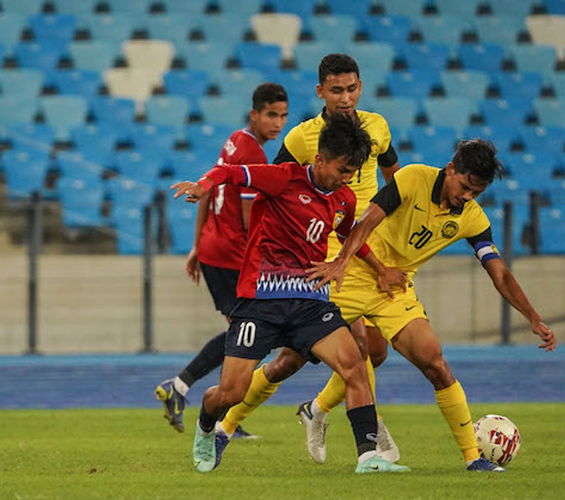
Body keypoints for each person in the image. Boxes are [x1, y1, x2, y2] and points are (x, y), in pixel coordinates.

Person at [219, 139, 558, 472]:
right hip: (350, 274)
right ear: (452, 169)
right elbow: (364, 222)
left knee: (434, 362)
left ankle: (473, 457)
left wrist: (532, 317)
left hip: (394, 287)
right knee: (288, 362)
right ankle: (226, 427)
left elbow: (497, 272)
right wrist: (340, 262)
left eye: (477, 193)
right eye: (466, 186)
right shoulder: (413, 178)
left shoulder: (472, 218)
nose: (467, 197)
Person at [172, 113, 410, 474]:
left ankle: (368, 457)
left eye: (352, 173)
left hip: (309, 303)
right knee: (231, 392)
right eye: (342, 169)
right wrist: (204, 185)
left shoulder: (343, 199)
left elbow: (350, 238)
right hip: (260, 302)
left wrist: (375, 269)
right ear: (319, 160)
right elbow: (232, 174)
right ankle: (207, 425)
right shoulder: (282, 177)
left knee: (355, 367)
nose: (346, 179)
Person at [218, 53, 403, 461]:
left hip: (366, 247)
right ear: (321, 91)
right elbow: (278, 187)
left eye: (352, 88)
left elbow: (395, 178)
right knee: (352, 352)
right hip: (320, 258)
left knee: (367, 352)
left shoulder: (379, 127)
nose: (345, 97)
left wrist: (394, 228)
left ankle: (312, 410)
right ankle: (371, 444)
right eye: (336, 90)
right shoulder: (303, 137)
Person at [155, 83, 289, 436]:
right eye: (271, 115)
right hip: (232, 256)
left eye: (283, 116)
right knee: (249, 335)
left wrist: (198, 244)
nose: (278, 123)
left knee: (242, 333)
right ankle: (205, 406)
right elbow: (250, 219)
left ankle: (190, 394)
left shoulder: (234, 140)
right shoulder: (254, 154)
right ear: (254, 114)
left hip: (215, 249)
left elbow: (209, 189)